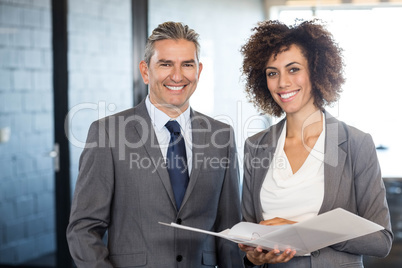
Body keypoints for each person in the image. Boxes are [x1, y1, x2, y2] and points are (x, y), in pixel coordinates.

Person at [66, 21, 243, 267]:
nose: (177, 76)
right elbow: (83, 229)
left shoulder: (222, 135)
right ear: (145, 70)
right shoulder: (107, 133)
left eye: (187, 65)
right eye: (166, 64)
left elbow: (229, 230)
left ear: (199, 71)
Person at [238, 19, 393, 267]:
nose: (282, 83)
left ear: (316, 71)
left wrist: (302, 232)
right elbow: (249, 234)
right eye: (272, 73)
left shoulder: (356, 143)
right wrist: (252, 257)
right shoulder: (255, 146)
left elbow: (381, 240)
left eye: (293, 69)